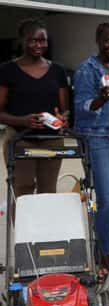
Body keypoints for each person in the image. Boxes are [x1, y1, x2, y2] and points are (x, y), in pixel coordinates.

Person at [73, 22, 109, 272]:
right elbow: (81, 107)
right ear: (98, 40)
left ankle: (102, 249)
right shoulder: (87, 69)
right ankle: (101, 255)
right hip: (96, 139)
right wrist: (101, 99)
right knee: (104, 200)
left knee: (107, 200)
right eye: (108, 41)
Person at [0, 18, 69, 198]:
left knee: (48, 191)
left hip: (51, 140)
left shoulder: (58, 71)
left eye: (42, 40)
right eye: (33, 40)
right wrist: (23, 120)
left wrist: (63, 118)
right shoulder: (7, 70)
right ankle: (23, 227)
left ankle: (45, 227)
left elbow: (64, 109)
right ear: (22, 41)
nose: (39, 45)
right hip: (20, 139)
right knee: (23, 191)